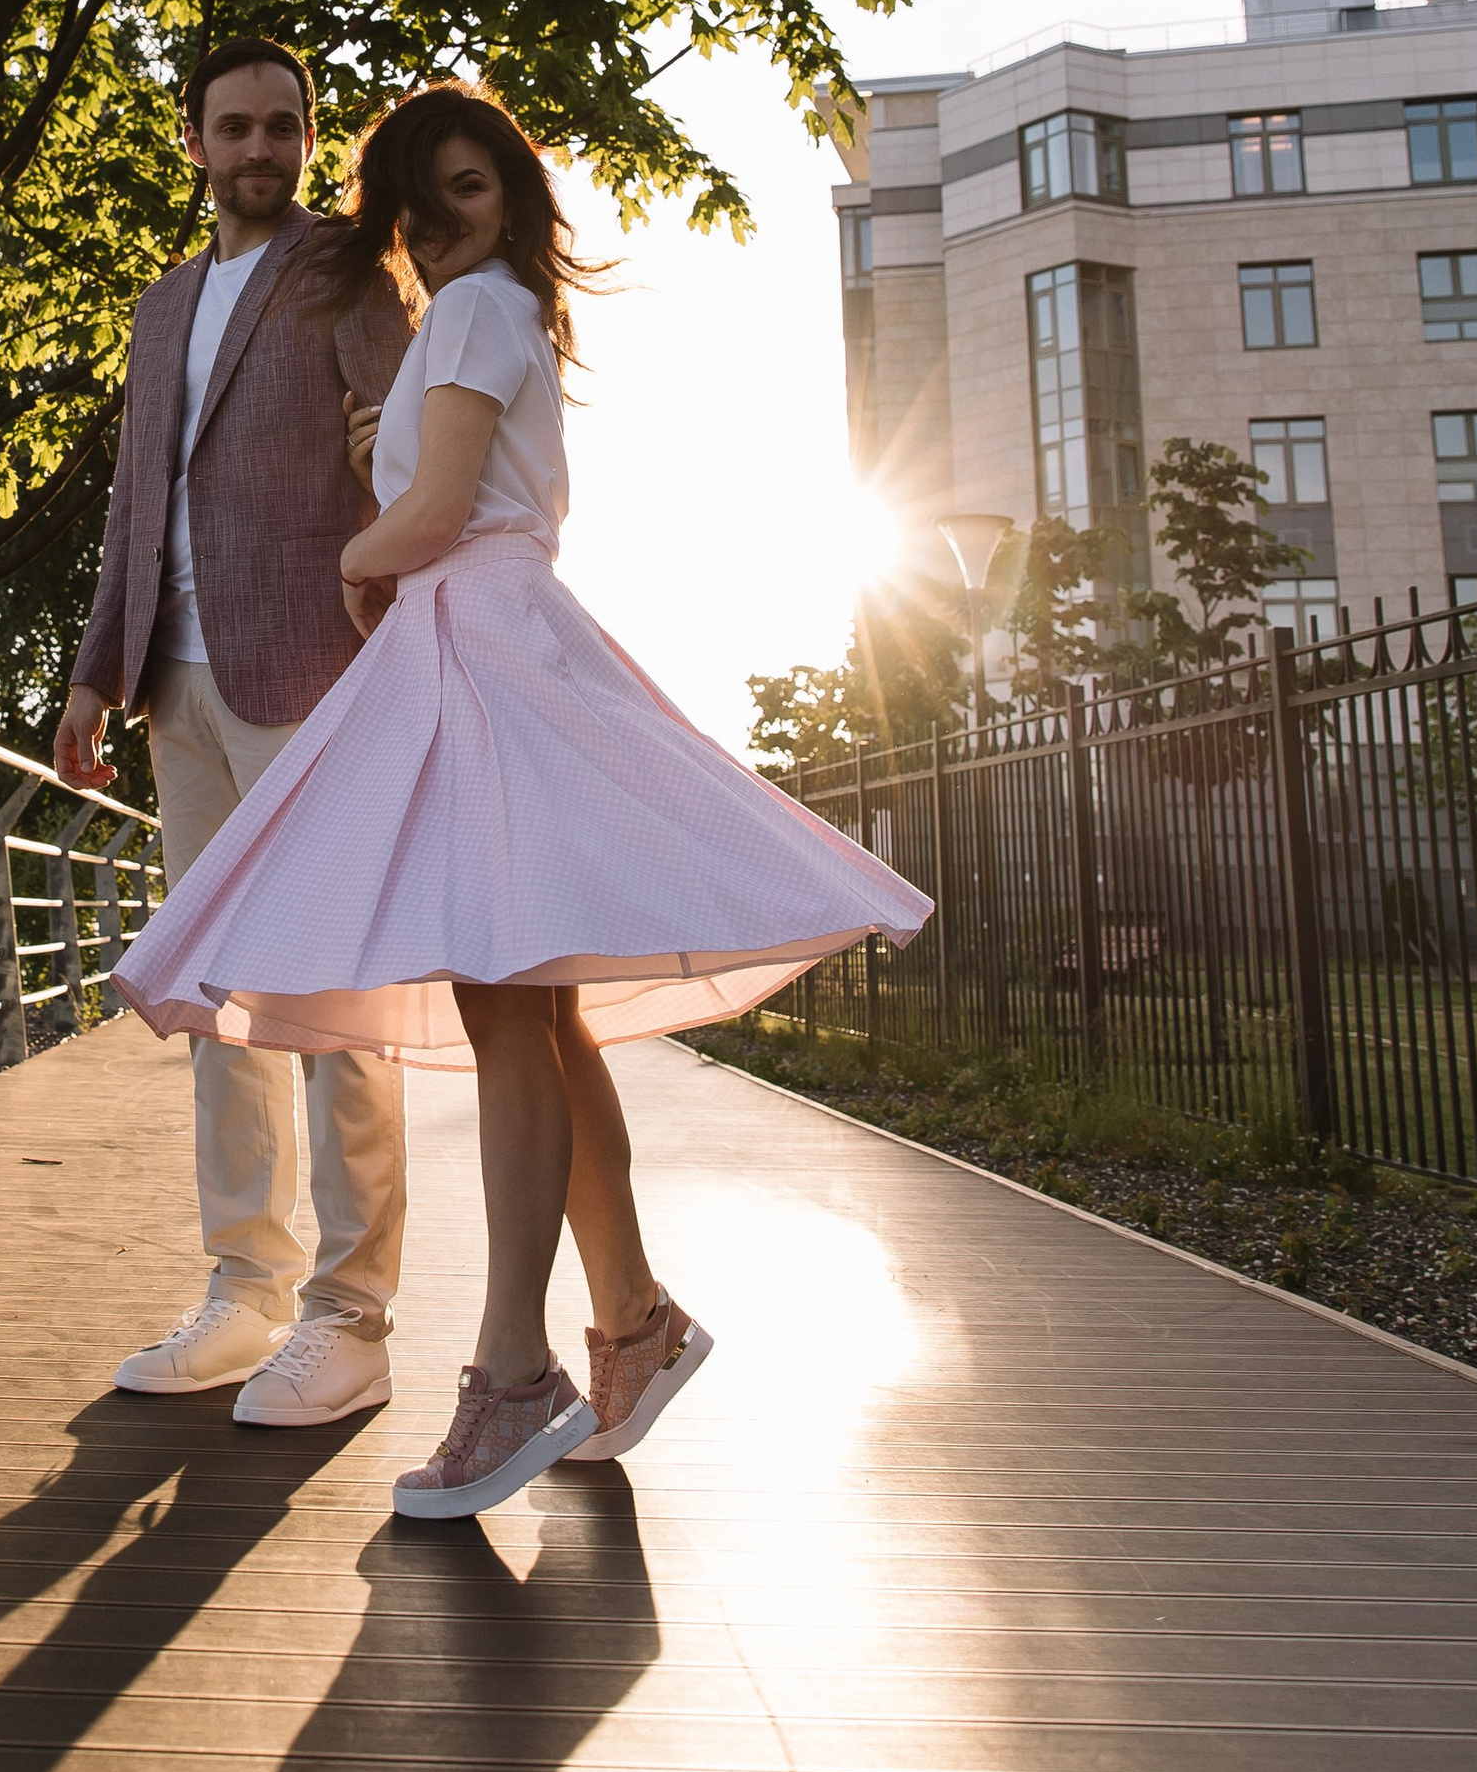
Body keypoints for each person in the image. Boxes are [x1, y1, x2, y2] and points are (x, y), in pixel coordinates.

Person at [113, 83, 935, 1522]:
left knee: (510, 1006)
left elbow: (433, 515)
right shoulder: (478, 316)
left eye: (467, 192)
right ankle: (632, 1320)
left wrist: (361, 559)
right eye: (416, 202)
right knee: (537, 1016)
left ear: (513, 204)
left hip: (478, 648)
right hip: (485, 643)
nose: (437, 222)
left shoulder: (478, 311)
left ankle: (513, 1368)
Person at [56, 36, 416, 1426]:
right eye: (235, 128)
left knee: (333, 1000)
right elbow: (132, 507)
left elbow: (405, 447)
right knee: (220, 1009)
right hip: (179, 689)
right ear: (194, 146)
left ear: (307, 141)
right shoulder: (160, 310)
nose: (261, 149)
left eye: (285, 127)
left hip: (318, 671)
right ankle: (241, 1289)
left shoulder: (348, 273)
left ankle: (352, 1315)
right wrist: (96, 672)